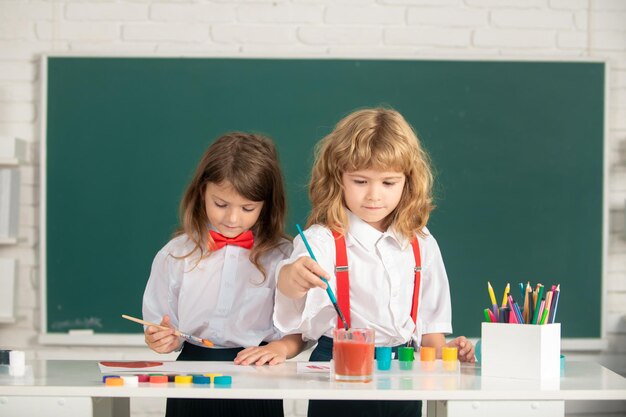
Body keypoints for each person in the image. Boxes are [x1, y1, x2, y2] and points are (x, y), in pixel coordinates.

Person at [274, 108, 475, 417]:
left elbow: (431, 337)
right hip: (339, 367)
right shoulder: (323, 240)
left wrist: (451, 352)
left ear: (408, 182)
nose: (373, 195)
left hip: (405, 368)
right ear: (337, 177)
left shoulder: (421, 244)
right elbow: (289, 282)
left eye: (388, 183)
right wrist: (292, 276)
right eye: (360, 180)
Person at [142, 132, 304, 417]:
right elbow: (159, 325)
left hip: (256, 373)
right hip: (190, 374)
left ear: (267, 205)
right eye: (221, 204)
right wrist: (160, 338)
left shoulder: (285, 257)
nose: (232, 219)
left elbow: (301, 331)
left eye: (247, 208)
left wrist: (280, 348)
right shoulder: (175, 254)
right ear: (202, 191)